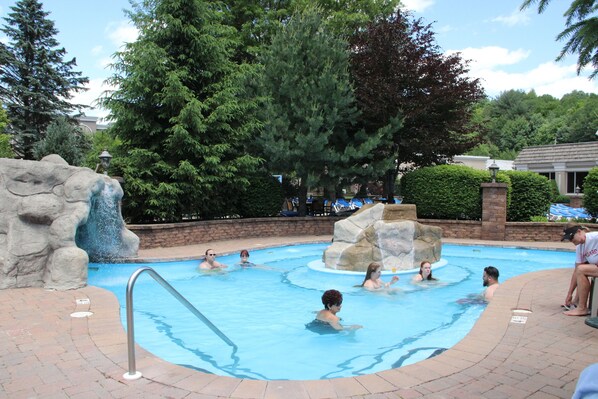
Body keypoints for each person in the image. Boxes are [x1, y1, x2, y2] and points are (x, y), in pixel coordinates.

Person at [562, 225, 598, 316]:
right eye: (569, 239)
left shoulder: (595, 237)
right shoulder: (580, 247)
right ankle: (576, 302)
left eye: (571, 238)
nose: (571, 241)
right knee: (581, 269)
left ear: (579, 231)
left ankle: (582, 308)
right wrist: (569, 293)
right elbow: (576, 271)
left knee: (582, 269)